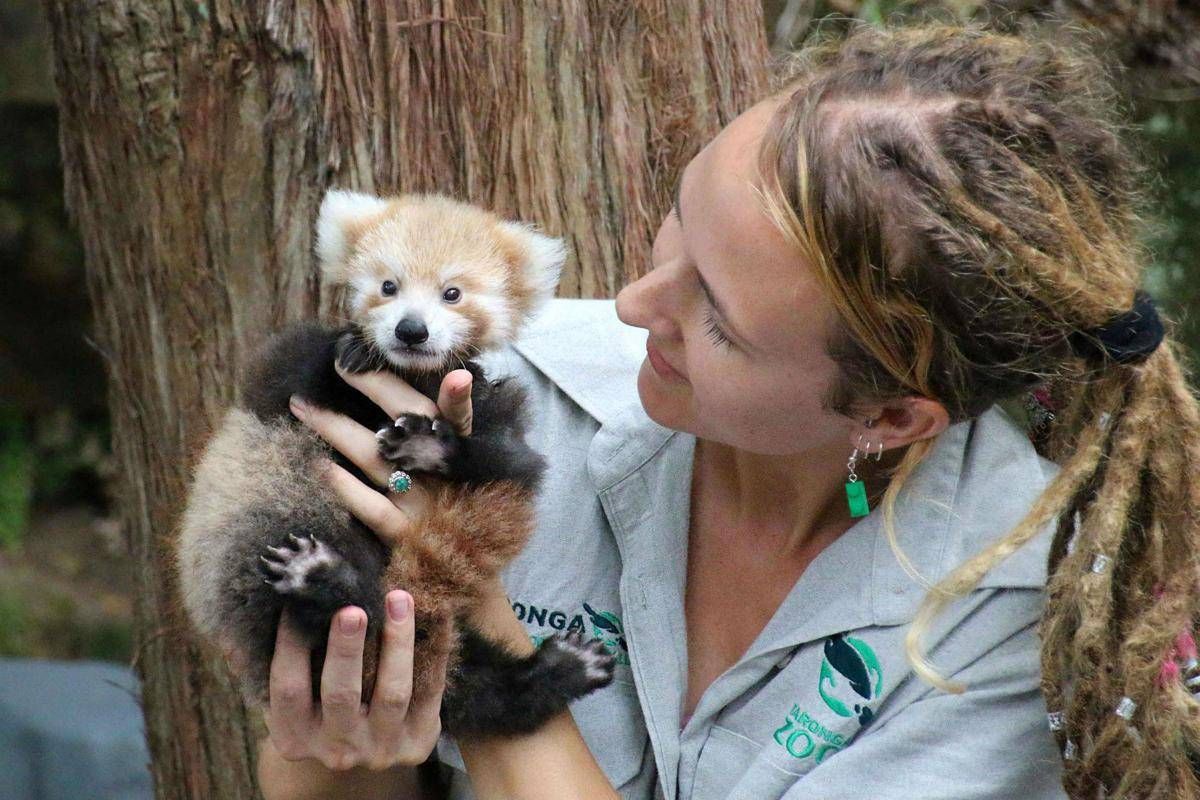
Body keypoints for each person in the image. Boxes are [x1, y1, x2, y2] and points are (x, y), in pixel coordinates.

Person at [254, 21, 1200, 800]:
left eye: (719, 315)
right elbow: (332, 767)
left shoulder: (1008, 614)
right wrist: (349, 731)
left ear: (894, 415)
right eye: (679, 222)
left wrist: (471, 619)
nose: (633, 305)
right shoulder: (503, 392)